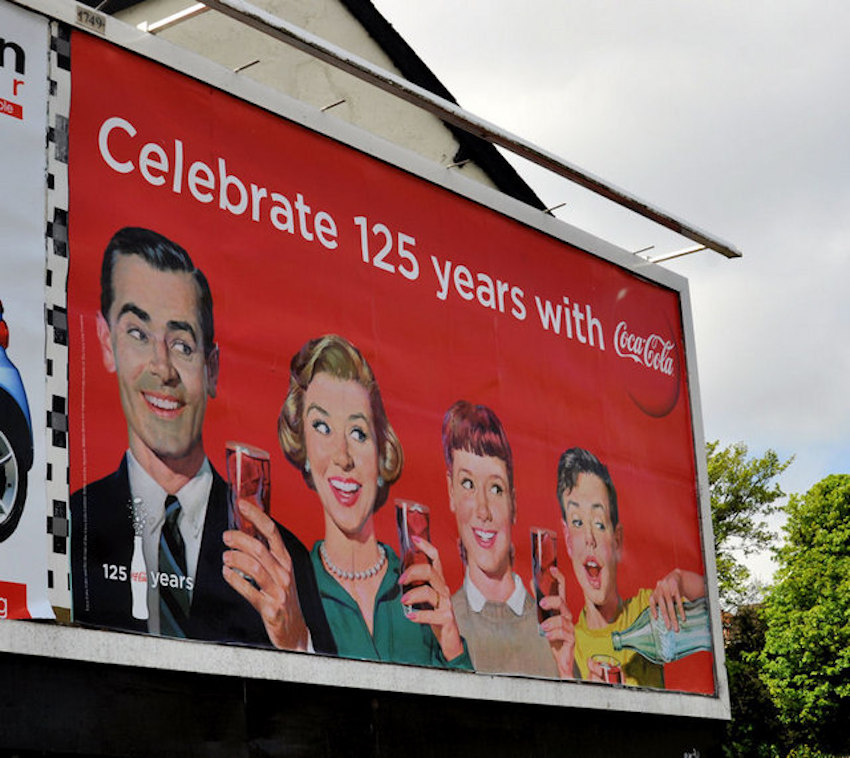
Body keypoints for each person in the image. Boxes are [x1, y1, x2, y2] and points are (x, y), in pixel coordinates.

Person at [70, 227, 334, 653]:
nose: (162, 367)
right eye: (138, 333)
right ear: (106, 342)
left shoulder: (284, 561)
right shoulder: (71, 527)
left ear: (211, 369)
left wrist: (297, 643)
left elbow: (331, 713)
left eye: (182, 344)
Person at [278, 334, 470, 669]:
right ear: (303, 449)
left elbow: (469, 719)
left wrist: (451, 642)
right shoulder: (293, 590)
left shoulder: (420, 591)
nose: (343, 456)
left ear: (381, 454)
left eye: (358, 433)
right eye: (322, 427)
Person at [442, 401, 574, 678]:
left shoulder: (554, 632)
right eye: (467, 484)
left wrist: (566, 672)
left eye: (496, 488)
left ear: (513, 503)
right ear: (451, 492)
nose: (483, 510)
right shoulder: (442, 624)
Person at [556, 447, 705, 687]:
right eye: (577, 522)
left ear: (617, 540)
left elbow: (712, 604)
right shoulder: (568, 644)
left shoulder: (648, 610)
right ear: (566, 540)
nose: (589, 539)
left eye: (598, 523)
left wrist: (680, 580)